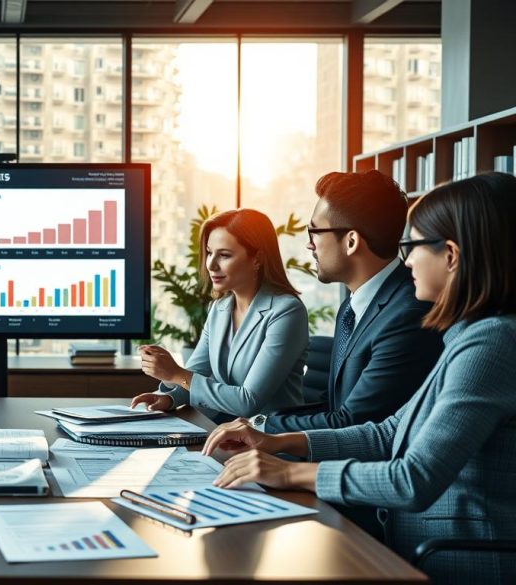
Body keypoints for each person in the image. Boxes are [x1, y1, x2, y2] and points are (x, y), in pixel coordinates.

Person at [203, 173, 516, 584]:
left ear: (452, 255)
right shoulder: (468, 335)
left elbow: (412, 479)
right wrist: (278, 441)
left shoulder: (492, 344)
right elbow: (389, 433)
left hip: (455, 563)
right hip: (410, 545)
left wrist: (288, 472)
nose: (405, 261)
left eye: (413, 246)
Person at [264, 170, 442, 435]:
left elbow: (353, 422)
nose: (309, 245)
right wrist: (259, 422)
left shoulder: (408, 313)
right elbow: (332, 407)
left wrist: (261, 428)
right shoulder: (352, 306)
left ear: (351, 241)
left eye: (314, 231)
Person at [132, 208, 308, 423]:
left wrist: (176, 374)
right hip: (224, 431)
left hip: (271, 441)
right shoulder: (220, 308)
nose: (211, 264)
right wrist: (169, 398)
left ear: (257, 258)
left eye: (224, 255)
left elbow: (248, 401)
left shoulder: (287, 311)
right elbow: (198, 373)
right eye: (209, 252)